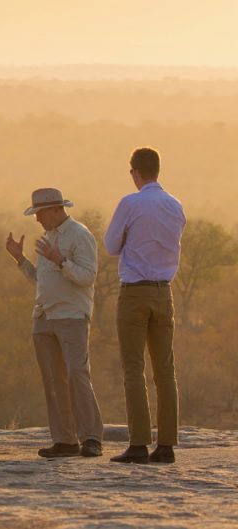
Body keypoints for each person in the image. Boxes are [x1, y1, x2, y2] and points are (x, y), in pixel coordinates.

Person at [6, 188, 104, 458]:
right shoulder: (48, 237)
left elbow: (87, 277)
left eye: (40, 213)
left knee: (77, 375)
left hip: (71, 316)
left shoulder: (80, 235)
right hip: (43, 317)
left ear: (56, 210)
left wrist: (60, 260)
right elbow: (42, 280)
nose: (37, 219)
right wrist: (20, 259)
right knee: (53, 380)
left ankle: (92, 438)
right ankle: (65, 440)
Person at [104, 147, 186, 464]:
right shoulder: (175, 205)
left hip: (135, 292)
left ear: (135, 172)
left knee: (133, 369)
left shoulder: (130, 203)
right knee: (166, 371)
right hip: (164, 292)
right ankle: (166, 445)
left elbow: (111, 246)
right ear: (158, 170)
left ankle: (138, 444)